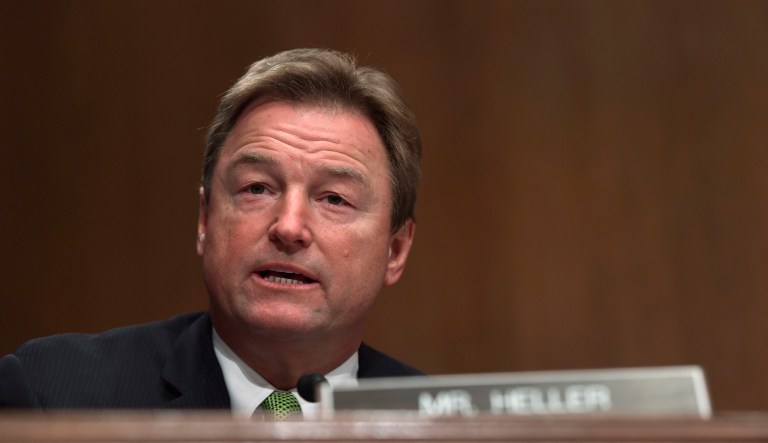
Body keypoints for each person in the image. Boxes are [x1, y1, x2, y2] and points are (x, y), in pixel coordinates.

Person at [0, 48, 423, 416]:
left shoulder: (444, 425)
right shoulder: (52, 394)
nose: (289, 226)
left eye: (334, 198)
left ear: (396, 250)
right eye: (257, 188)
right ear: (205, 219)